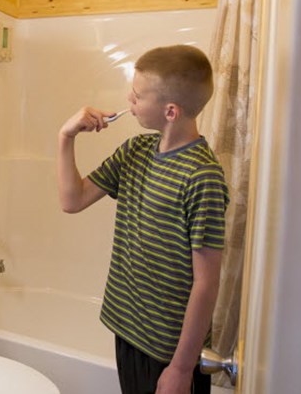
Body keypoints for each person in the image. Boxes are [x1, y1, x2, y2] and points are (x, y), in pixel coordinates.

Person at [57, 45, 229, 394]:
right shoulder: (135, 152)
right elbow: (72, 200)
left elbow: (206, 284)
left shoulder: (202, 177)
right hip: (129, 331)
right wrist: (66, 136)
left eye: (136, 96)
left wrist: (181, 367)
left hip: (168, 352)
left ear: (170, 110)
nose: (128, 100)